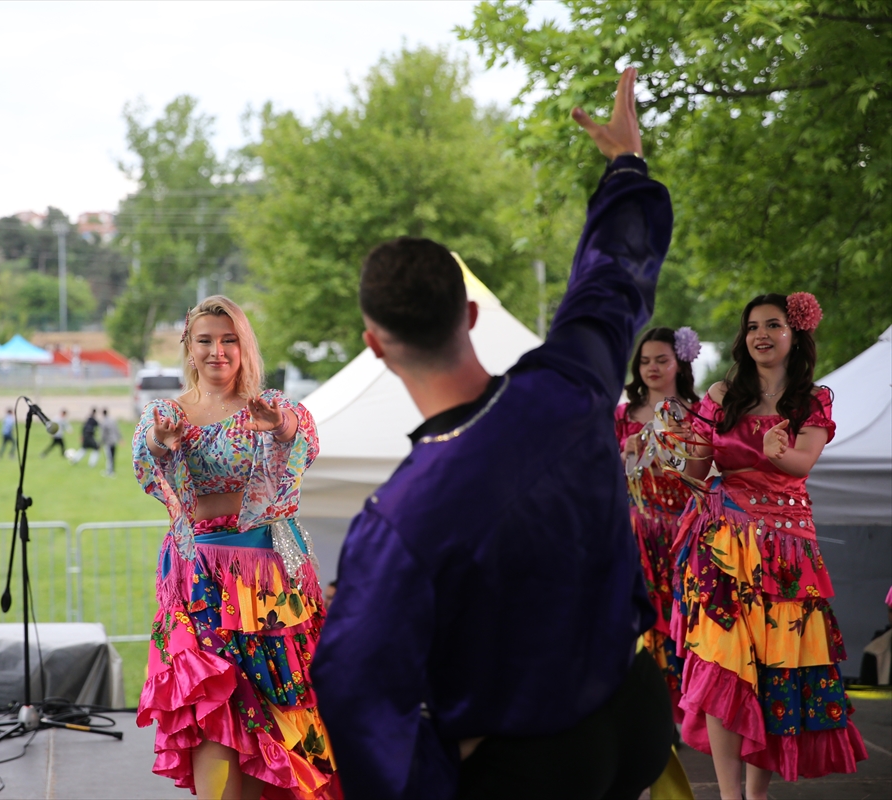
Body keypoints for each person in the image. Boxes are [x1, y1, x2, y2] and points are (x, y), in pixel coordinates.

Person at [313, 68, 674, 799]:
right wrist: (625, 165)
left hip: (530, 760)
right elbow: (611, 283)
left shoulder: (400, 519)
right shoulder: (568, 385)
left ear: (375, 344)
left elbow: (356, 693)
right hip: (635, 714)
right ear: (470, 315)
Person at [133, 295, 340, 799]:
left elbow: (304, 440)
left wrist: (280, 429)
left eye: (229, 340)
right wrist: (164, 442)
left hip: (269, 579)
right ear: (189, 347)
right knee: (214, 709)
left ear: (244, 346)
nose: (217, 351)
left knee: (272, 712)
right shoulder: (167, 414)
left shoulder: (270, 407)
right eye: (205, 340)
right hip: (200, 578)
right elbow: (146, 460)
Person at [674, 292, 867, 799]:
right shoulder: (721, 394)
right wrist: (681, 446)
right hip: (723, 547)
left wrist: (775, 454)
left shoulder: (812, 400)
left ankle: (755, 796)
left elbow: (802, 464)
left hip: (785, 554)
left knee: (772, 671)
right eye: (753, 326)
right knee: (722, 667)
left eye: (774, 325)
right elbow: (694, 475)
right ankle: (727, 795)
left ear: (794, 334)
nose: (761, 334)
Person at [616, 326, 701, 720]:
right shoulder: (622, 416)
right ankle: (646, 712)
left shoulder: (699, 414)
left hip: (686, 533)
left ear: (680, 362)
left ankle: (684, 712)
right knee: (641, 616)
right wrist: (623, 453)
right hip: (636, 532)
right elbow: (599, 473)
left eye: (661, 360)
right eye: (645, 360)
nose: (651, 367)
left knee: (687, 618)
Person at [100, 407, 121, 476]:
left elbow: (103, 434)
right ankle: (112, 470)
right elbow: (116, 430)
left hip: (108, 442)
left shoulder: (103, 422)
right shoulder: (112, 421)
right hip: (114, 441)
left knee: (109, 457)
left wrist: (101, 442)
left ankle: (109, 471)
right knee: (113, 456)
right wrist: (120, 438)